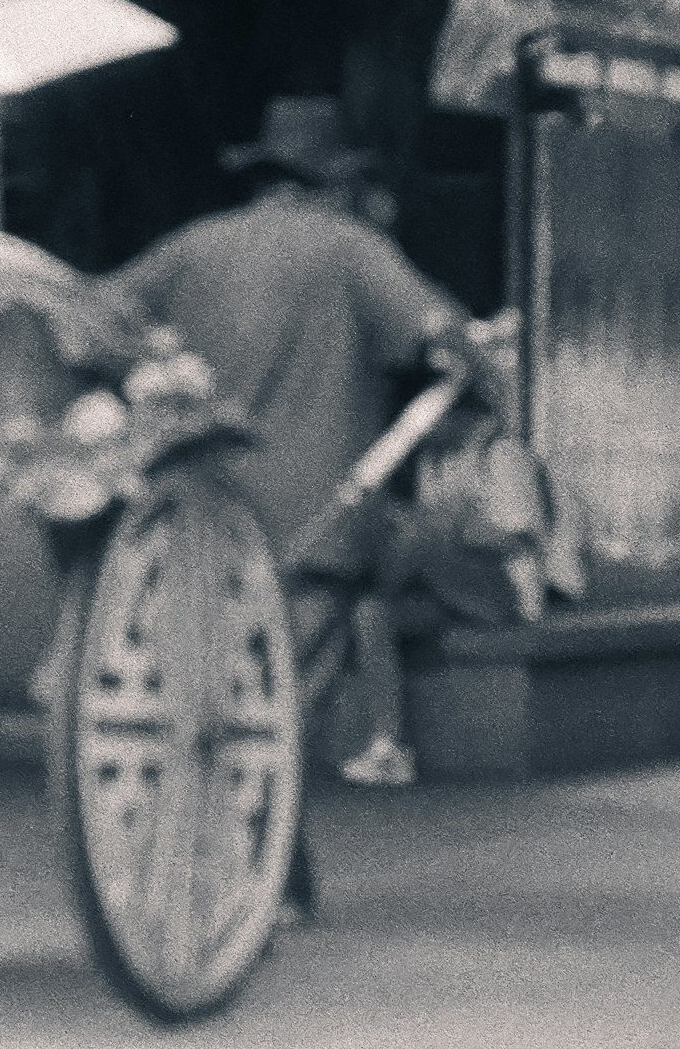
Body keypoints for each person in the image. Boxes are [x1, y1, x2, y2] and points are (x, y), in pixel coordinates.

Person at [102, 95, 477, 793]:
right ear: (334, 181)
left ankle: (273, 872)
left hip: (201, 510)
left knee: (207, 687)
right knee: (281, 706)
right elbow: (440, 333)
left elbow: (95, 316)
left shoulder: (194, 245)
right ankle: (255, 871)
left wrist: (146, 369)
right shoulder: (350, 247)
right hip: (318, 515)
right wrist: (477, 349)